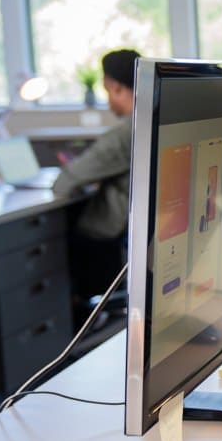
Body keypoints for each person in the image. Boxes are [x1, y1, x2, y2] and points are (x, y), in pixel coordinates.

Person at [52, 48, 139, 313]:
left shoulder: (124, 132)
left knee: (67, 239)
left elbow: (64, 183)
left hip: (118, 230)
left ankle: (80, 311)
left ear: (113, 86)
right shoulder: (155, 120)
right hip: (155, 225)